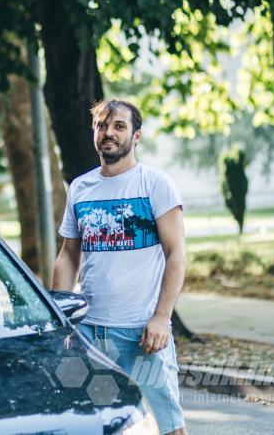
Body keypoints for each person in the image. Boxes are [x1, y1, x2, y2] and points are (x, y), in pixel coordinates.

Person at [52, 98, 187, 435]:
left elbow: (176, 254)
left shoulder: (155, 184)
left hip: (143, 334)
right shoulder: (81, 188)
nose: (108, 133)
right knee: (99, 426)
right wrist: (61, 314)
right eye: (101, 126)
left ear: (136, 136)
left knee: (168, 426)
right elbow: (69, 254)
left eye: (118, 126)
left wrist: (161, 318)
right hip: (90, 334)